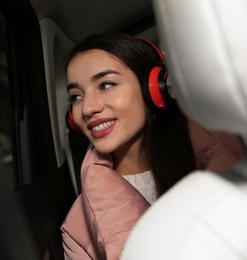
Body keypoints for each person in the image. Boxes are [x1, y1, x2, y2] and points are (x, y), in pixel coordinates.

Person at [60, 32, 244, 259]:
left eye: (106, 85)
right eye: (76, 96)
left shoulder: (235, 153)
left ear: (155, 88)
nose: (87, 108)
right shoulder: (77, 229)